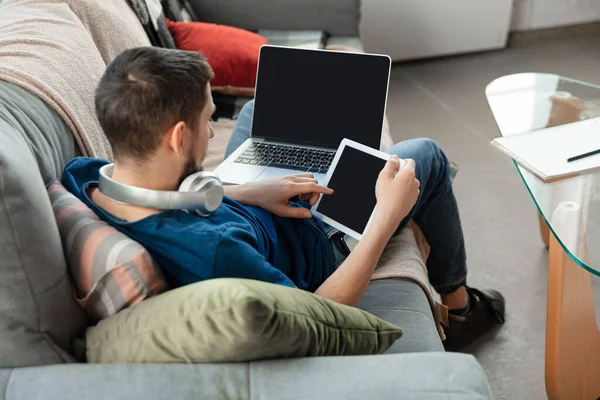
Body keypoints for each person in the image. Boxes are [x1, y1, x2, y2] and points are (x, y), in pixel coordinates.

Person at [62, 47, 505, 351]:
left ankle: (351, 162)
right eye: (206, 120)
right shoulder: (215, 254)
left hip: (257, 203)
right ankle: (461, 307)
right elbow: (317, 312)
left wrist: (248, 190)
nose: (212, 132)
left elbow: (173, 201)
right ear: (178, 138)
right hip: (314, 235)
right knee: (423, 156)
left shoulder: (86, 177)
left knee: (260, 111)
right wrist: (386, 217)